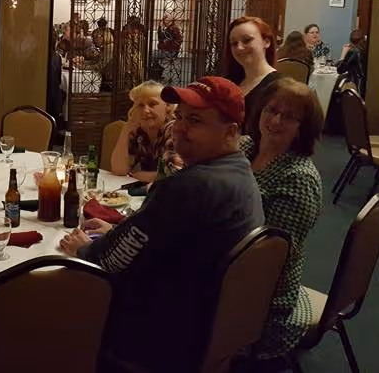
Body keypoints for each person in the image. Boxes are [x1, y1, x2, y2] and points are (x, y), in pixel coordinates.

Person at [60, 76, 264, 372]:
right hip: (212, 325)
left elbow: (113, 260)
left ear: (230, 132)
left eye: (195, 120)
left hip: (164, 337)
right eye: (179, 116)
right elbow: (155, 237)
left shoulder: (191, 185)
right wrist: (118, 232)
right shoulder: (238, 171)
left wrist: (84, 250)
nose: (180, 127)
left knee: (45, 297)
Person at [240, 77, 323, 361]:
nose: (275, 120)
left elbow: (268, 259)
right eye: (270, 110)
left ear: (303, 128)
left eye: (289, 117)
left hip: (262, 298)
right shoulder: (244, 148)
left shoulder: (299, 178)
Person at [109, 81, 183, 182]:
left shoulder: (173, 130)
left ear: (168, 106)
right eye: (140, 105)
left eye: (152, 104)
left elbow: (174, 174)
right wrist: (125, 131)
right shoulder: (139, 133)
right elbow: (119, 169)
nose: (145, 111)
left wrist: (136, 175)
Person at [224, 16, 282, 133]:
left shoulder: (280, 86)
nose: (239, 48)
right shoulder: (229, 81)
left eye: (247, 40)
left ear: (266, 42)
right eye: (234, 43)